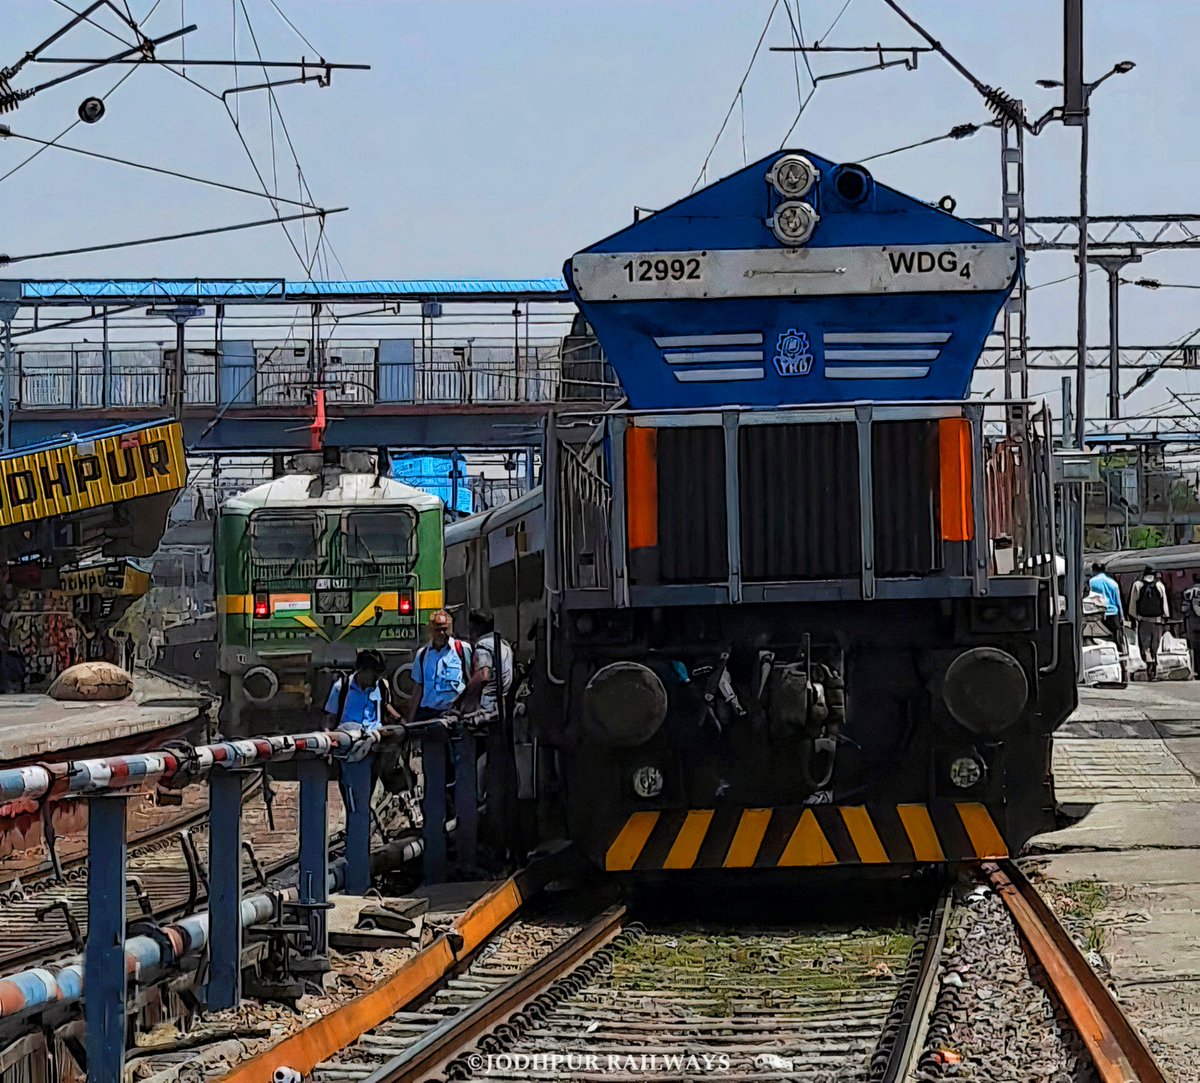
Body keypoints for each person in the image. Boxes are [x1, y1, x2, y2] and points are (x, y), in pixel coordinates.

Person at [404, 610, 472, 724]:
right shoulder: (422, 654)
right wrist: (410, 721)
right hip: (427, 715)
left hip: (453, 715)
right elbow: (417, 689)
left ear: (451, 629)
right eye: (437, 629)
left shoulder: (462, 649)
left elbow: (471, 681)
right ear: (430, 631)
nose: (441, 633)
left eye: (445, 629)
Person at [324, 649, 397, 732]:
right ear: (361, 670)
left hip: (375, 731)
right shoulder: (341, 687)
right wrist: (329, 737)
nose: (376, 678)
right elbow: (330, 718)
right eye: (373, 674)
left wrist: (400, 721)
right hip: (348, 732)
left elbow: (386, 706)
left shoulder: (381, 686)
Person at [465, 610, 513, 719]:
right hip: (503, 702)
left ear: (478, 628)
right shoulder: (503, 644)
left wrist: (463, 698)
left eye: (472, 628)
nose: (470, 632)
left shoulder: (483, 645)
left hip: (488, 705)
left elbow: (483, 675)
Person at [1129, 565, 1171, 680]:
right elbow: (1165, 603)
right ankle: (1155, 668)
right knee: (1155, 646)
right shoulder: (1159, 585)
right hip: (1157, 621)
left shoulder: (1137, 585)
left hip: (1143, 621)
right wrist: (1165, 617)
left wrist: (1133, 618)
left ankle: (1149, 668)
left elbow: (1133, 604)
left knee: (1145, 646)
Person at [1089, 562, 1128, 680]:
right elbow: (1118, 601)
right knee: (1116, 640)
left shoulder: (1092, 582)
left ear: (1094, 570)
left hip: (1097, 614)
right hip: (1113, 614)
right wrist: (1121, 617)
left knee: (1098, 640)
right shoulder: (1113, 583)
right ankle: (1120, 665)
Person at [1183, 573, 1200, 678]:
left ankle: (1197, 670)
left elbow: (1183, 609)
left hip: (1192, 623)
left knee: (1195, 649)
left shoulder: (1187, 592)